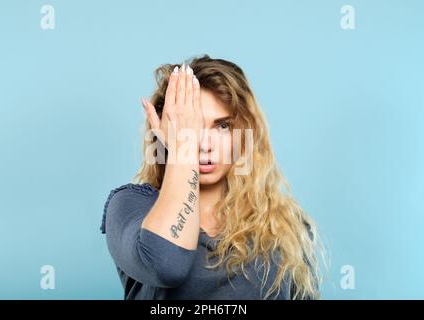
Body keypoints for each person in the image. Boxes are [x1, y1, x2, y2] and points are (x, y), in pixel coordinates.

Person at [100, 54, 323, 300]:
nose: (204, 145)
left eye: (223, 126)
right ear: (164, 132)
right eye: (191, 128)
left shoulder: (284, 226)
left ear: (244, 133)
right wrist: (182, 151)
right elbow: (165, 264)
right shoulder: (130, 206)